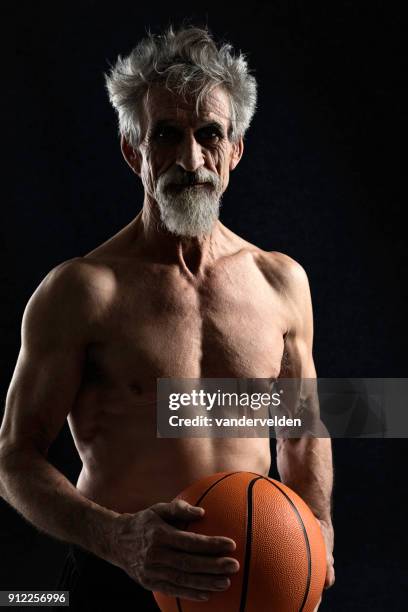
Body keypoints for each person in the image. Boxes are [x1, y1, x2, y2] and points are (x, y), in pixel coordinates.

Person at [0, 25, 334, 611]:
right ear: (134, 152)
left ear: (235, 150)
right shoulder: (82, 290)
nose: (191, 159)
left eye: (210, 135)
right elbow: (13, 459)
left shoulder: (281, 281)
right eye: (167, 136)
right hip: (119, 577)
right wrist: (118, 539)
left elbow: (304, 430)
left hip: (252, 576)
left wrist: (318, 528)